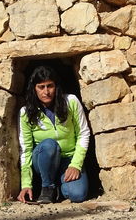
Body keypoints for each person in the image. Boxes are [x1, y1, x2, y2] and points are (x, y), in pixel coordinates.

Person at [17, 65, 90, 204]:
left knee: (78, 195)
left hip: (68, 159)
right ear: (34, 88)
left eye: (50, 86)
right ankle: (47, 187)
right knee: (50, 145)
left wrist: (76, 164)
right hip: (44, 159)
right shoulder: (26, 113)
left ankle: (58, 185)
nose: (46, 92)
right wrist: (26, 184)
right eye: (41, 87)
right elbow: (25, 149)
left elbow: (83, 133)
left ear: (56, 86)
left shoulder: (71, 102)